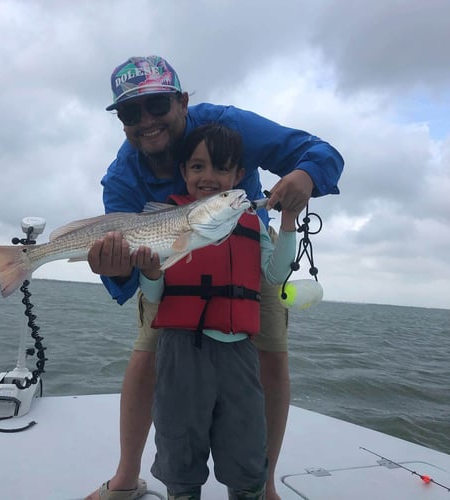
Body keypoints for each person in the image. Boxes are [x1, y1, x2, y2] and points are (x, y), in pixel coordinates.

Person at [86, 55, 344, 500]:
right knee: (146, 354)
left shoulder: (229, 126)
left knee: (273, 358)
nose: (146, 121)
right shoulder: (121, 177)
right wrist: (117, 267)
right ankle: (127, 475)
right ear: (121, 121)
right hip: (167, 272)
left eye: (157, 106)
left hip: (248, 262)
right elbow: (124, 274)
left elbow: (320, 152)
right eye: (131, 112)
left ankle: (263, 484)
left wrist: (303, 175)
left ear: (183, 101)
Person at [133, 123, 298, 500]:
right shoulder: (164, 223)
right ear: (183, 173)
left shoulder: (252, 224)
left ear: (239, 177)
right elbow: (155, 295)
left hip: (240, 353)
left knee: (247, 447)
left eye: (221, 168)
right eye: (197, 167)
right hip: (179, 352)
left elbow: (275, 274)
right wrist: (150, 271)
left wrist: (288, 221)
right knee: (179, 447)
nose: (208, 177)